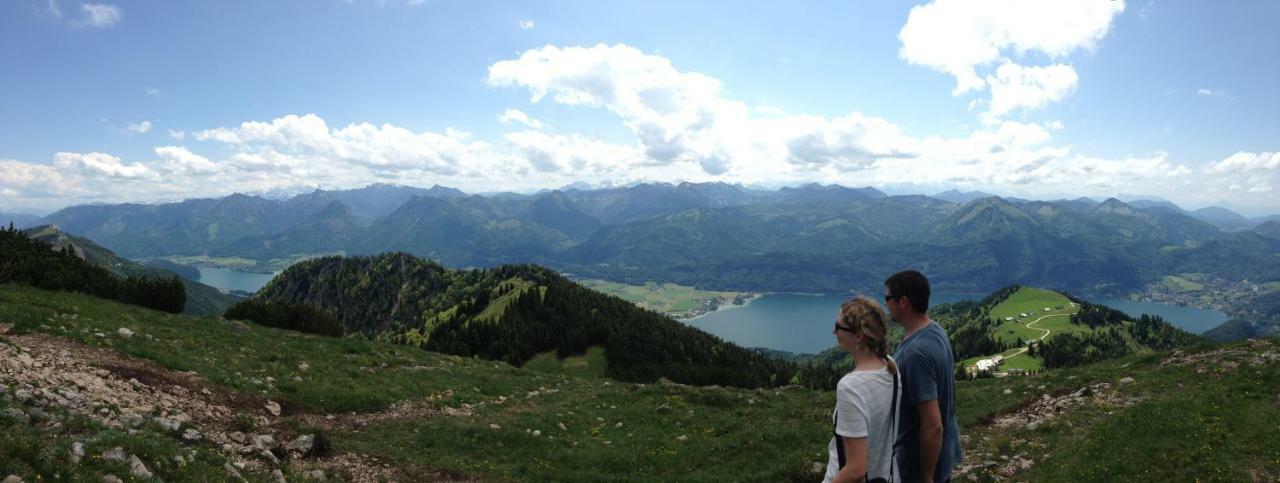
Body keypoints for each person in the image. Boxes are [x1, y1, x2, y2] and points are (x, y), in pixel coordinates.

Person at [883, 270, 961, 483]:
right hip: (943, 456)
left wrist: (926, 476)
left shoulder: (916, 352)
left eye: (887, 298)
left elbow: (932, 424)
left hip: (919, 466)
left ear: (903, 302)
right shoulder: (934, 330)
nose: (885, 304)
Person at [824, 296, 901, 483]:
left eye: (839, 327)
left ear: (858, 336)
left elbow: (856, 469)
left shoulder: (850, 387)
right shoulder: (890, 365)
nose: (834, 331)